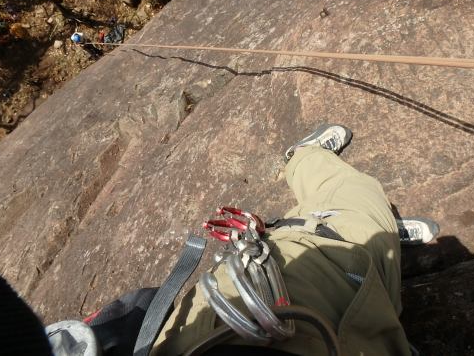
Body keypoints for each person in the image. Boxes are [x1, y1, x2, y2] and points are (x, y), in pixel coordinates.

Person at [151, 124, 438, 355]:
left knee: (358, 197)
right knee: (380, 272)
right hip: (356, 331)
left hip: (268, 310)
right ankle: (377, 236)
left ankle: (304, 157)